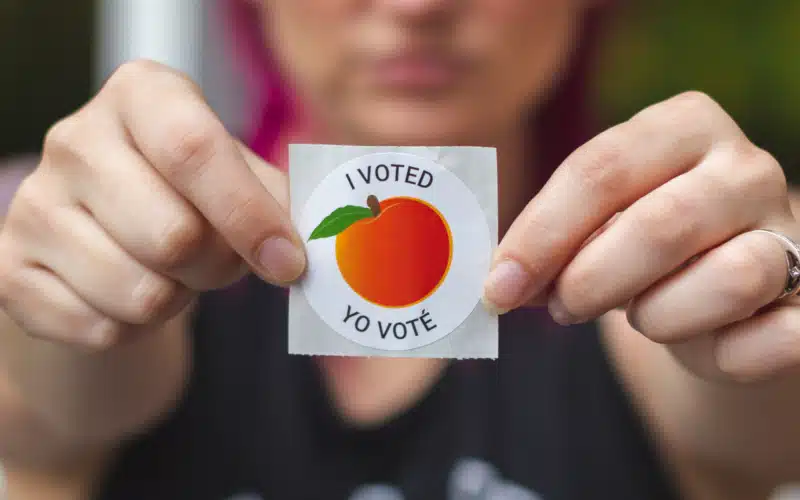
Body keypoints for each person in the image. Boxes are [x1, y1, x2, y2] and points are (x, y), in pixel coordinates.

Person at [1, 1, 799, 499]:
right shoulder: (126, 240)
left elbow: (752, 411)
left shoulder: (668, 263)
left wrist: (763, 295)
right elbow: (62, 400)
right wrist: (70, 300)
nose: (417, 6)